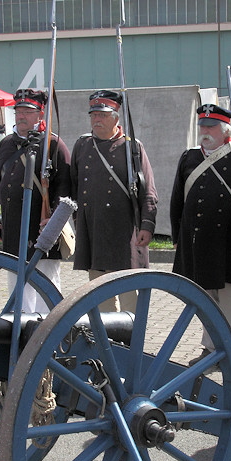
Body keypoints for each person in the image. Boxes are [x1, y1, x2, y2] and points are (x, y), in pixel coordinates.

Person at [171, 104, 231, 364]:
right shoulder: (189, 157)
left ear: (226, 131)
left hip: (229, 242)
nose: (204, 131)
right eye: (202, 126)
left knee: (228, 300)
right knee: (205, 300)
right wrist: (178, 239)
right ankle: (209, 348)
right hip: (197, 241)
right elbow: (177, 203)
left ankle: (227, 353)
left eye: (210, 126)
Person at [0, 89, 71, 313]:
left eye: (27, 111)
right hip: (13, 226)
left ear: (41, 114)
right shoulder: (5, 145)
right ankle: (22, 334)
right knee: (17, 287)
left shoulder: (54, 145)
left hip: (42, 227)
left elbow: (65, 188)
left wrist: (53, 222)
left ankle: (46, 337)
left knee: (45, 286)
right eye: (18, 110)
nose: (21, 116)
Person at [69, 89, 158, 312]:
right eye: (93, 115)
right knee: (100, 298)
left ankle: (132, 343)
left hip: (125, 232)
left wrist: (147, 224)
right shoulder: (82, 146)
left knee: (131, 298)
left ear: (116, 117)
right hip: (93, 231)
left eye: (102, 115)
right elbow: (73, 188)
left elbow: (148, 191)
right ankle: (108, 343)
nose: (96, 120)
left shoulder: (132, 148)